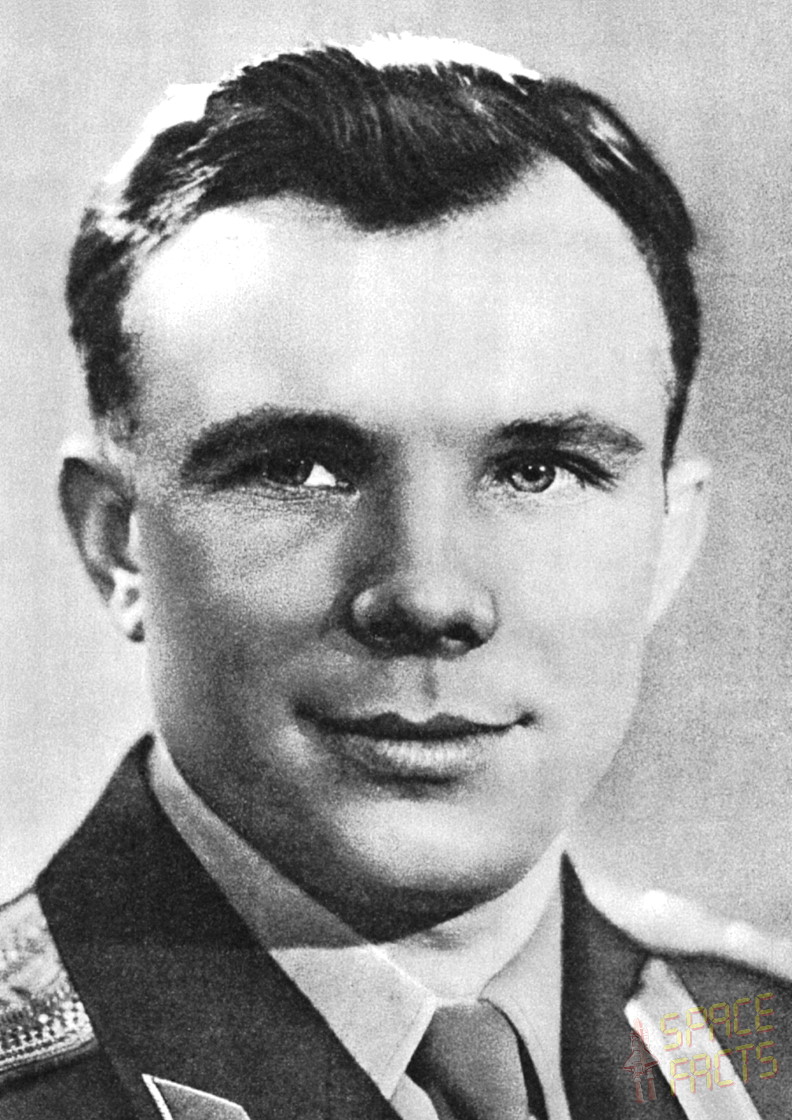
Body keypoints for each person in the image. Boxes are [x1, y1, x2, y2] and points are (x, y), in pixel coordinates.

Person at [0, 33, 788, 1120]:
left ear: (667, 536)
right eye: (300, 468)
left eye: (537, 469)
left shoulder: (766, 1056)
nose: (429, 596)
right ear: (118, 543)